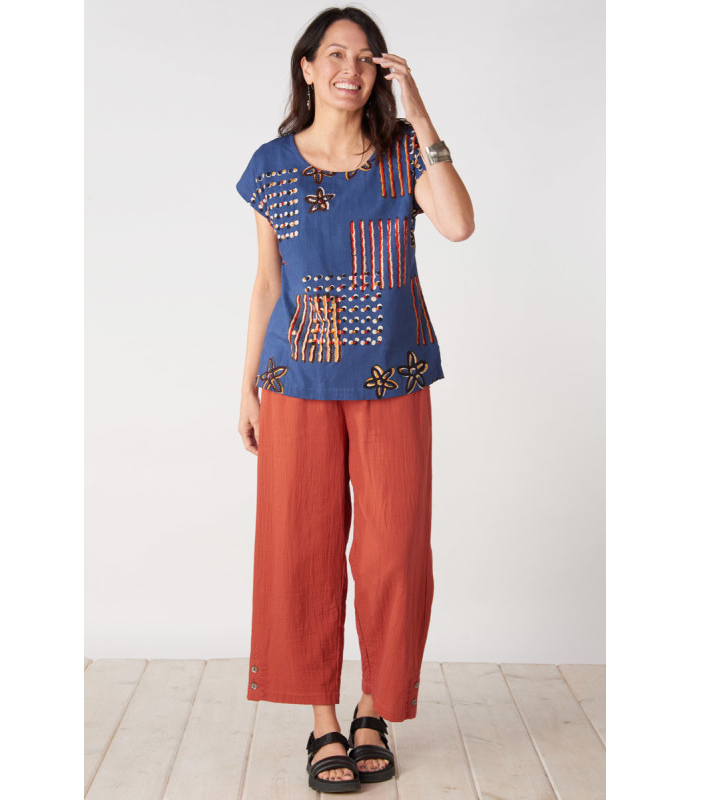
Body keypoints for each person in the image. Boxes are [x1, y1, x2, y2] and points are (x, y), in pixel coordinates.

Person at [235, 6, 474, 793]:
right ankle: (323, 722)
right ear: (307, 67)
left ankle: (375, 709)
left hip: (392, 378)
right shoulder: (273, 164)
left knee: (393, 551)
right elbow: (267, 283)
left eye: (366, 57)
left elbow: (459, 224)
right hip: (297, 382)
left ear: (380, 73)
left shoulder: (404, 152)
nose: (351, 68)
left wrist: (421, 113)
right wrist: (245, 387)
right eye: (335, 54)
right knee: (301, 549)